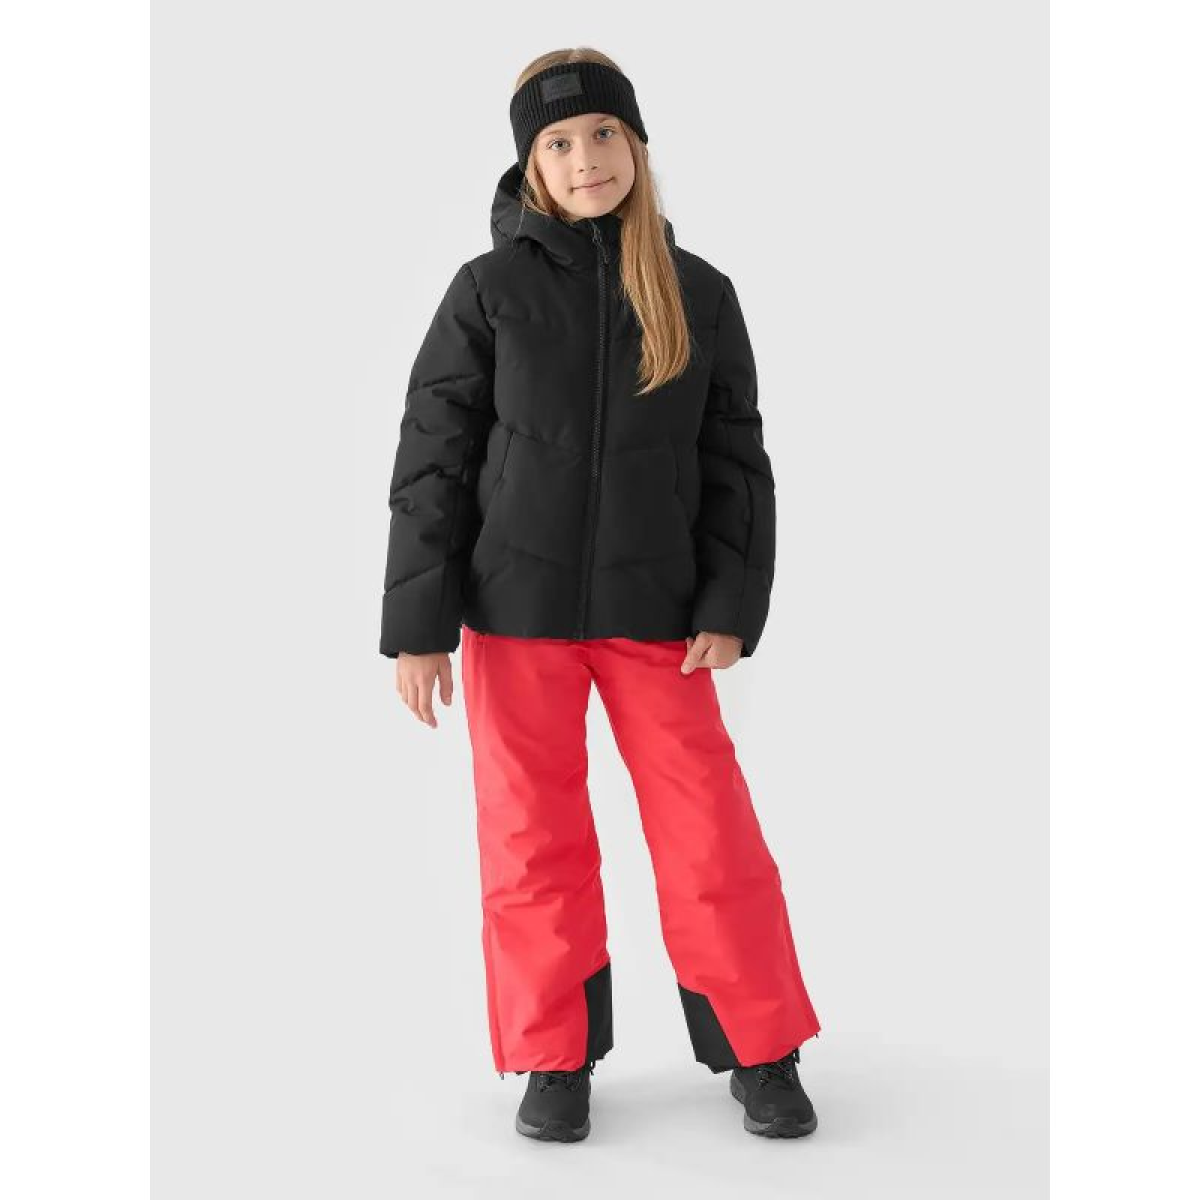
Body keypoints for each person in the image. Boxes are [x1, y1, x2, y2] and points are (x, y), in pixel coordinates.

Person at [379, 48, 822, 1142]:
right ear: (531, 164)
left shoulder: (698, 293)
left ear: (637, 144)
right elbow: (433, 459)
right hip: (514, 615)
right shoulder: (487, 293)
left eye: (604, 135)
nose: (587, 159)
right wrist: (419, 629)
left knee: (709, 833)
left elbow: (736, 460)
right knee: (532, 843)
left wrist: (728, 602)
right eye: (560, 142)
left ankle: (762, 1047)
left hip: (659, 617)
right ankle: (553, 1059)